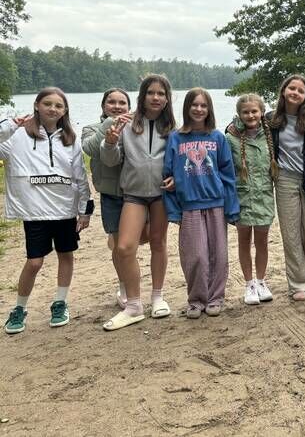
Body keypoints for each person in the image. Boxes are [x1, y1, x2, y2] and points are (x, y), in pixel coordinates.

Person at [1, 88, 93, 334]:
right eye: (47, 104)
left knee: (66, 255)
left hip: (64, 211)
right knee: (34, 262)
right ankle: (19, 308)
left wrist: (85, 210)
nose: (53, 109)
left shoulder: (70, 139)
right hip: (35, 213)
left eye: (58, 105)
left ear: (65, 110)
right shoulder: (17, 136)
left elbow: (80, 177)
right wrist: (10, 125)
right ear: (36, 105)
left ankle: (60, 302)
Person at [100, 74, 176, 331]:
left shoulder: (172, 127)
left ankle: (158, 297)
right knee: (124, 247)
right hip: (133, 193)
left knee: (158, 242)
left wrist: (176, 178)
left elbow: (179, 159)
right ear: (142, 96)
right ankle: (133, 305)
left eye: (161, 93)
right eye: (151, 92)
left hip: (161, 194)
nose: (156, 97)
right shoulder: (126, 123)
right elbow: (111, 160)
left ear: (167, 99)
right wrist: (110, 142)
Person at [163, 88, 240, 318]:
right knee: (195, 256)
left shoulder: (217, 137)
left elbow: (228, 174)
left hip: (216, 204)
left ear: (209, 109)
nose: (198, 109)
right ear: (187, 108)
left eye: (203, 105)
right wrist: (173, 210)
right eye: (194, 105)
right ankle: (196, 300)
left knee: (218, 255)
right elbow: (167, 175)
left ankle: (215, 298)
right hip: (190, 206)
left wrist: (231, 207)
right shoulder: (176, 138)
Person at [82, 88, 150, 309]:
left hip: (138, 193)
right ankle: (124, 287)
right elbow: (90, 149)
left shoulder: (136, 127)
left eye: (122, 102)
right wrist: (109, 125)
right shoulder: (92, 128)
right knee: (122, 248)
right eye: (111, 102)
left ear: (129, 106)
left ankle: (115, 240)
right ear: (103, 105)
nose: (117, 106)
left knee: (145, 237)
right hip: (112, 194)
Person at [267, 75, 305, 302]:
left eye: (300, 90)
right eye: (291, 88)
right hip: (284, 179)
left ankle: (304, 275)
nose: (295, 93)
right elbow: (243, 125)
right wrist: (231, 127)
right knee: (291, 235)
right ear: (284, 91)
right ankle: (298, 283)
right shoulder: (271, 120)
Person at [226, 93, 278, 305]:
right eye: (245, 112)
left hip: (264, 196)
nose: (250, 115)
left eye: (254, 111)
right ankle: (249, 284)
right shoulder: (230, 138)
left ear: (262, 112)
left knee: (262, 242)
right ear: (239, 114)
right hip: (242, 197)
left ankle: (261, 281)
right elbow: (226, 169)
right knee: (244, 241)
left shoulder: (270, 134)